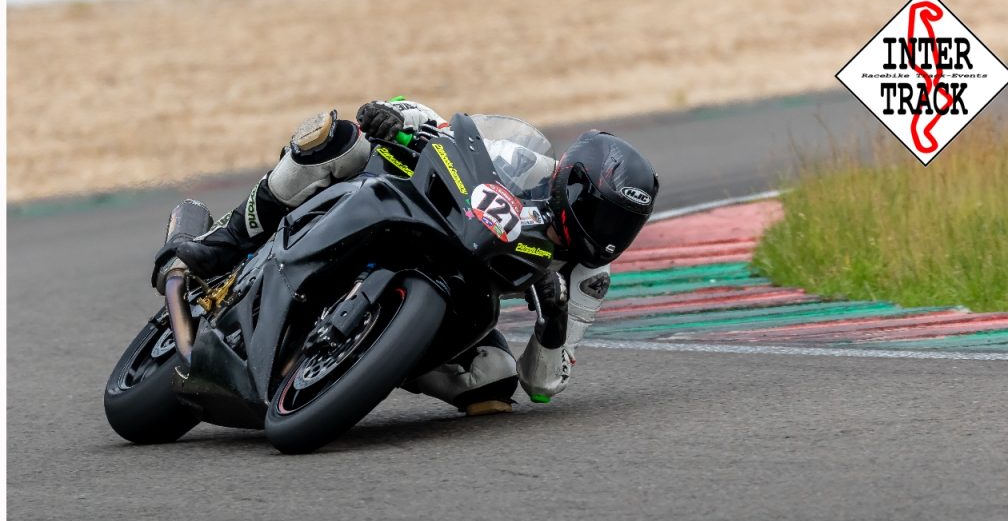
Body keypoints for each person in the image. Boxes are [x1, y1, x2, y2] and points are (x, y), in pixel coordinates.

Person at [153, 98, 659, 414]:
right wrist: (397, 117)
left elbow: (544, 385)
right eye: (604, 216)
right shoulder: (529, 166)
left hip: (459, 292)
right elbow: (448, 130)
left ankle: (366, 363)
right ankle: (220, 243)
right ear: (573, 185)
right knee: (335, 141)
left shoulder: (589, 276)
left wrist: (554, 314)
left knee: (494, 379)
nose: (609, 235)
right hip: (418, 213)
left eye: (623, 225)